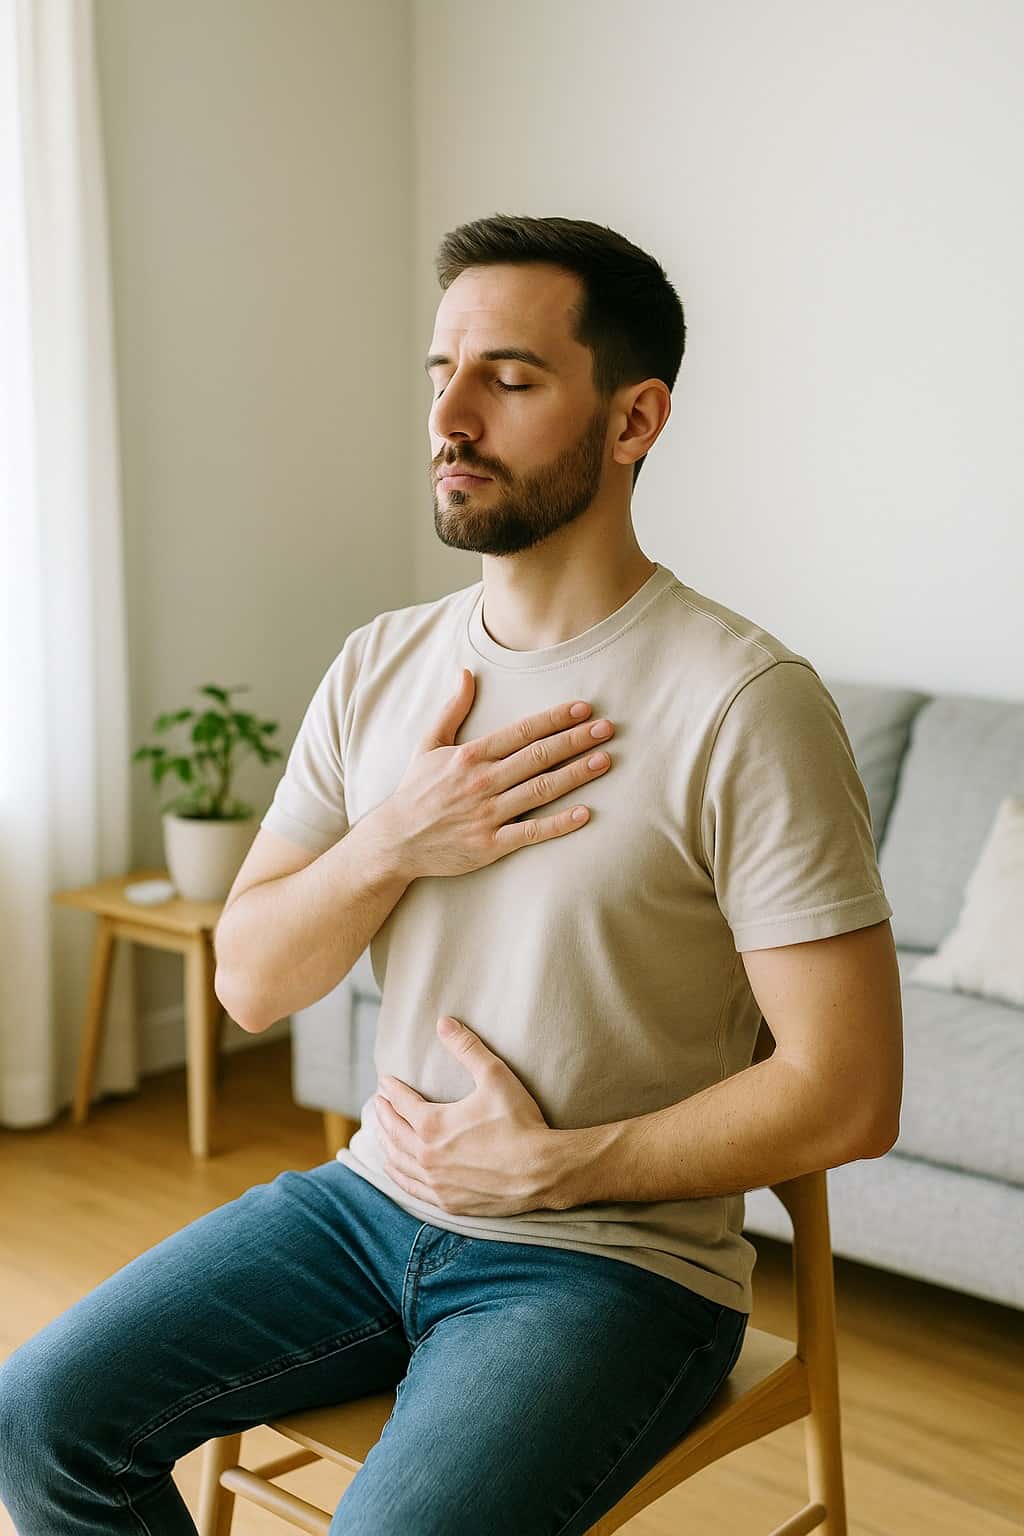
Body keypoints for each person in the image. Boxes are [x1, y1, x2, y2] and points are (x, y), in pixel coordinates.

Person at [0, 214, 902, 1534]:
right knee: (42, 1422)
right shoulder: (380, 666)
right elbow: (252, 979)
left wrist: (562, 1166)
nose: (452, 417)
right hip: (366, 1209)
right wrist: (392, 842)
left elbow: (850, 1092)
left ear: (633, 419)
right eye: (441, 373)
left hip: (610, 1269)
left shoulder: (742, 701)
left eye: (512, 379)